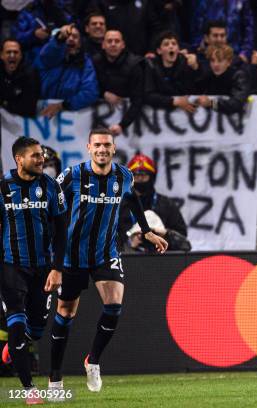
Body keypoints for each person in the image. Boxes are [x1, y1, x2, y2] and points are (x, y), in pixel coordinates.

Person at [47, 128, 168, 396]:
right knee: (66, 312)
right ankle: (55, 378)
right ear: (89, 147)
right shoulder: (72, 175)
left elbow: (134, 200)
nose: (102, 149)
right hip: (72, 256)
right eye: (97, 145)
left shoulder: (123, 175)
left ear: (114, 149)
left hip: (106, 252)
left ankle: (93, 360)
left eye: (107, 145)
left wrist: (146, 229)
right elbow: (52, 208)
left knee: (114, 305)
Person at [0, 137, 66, 404]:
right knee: (16, 323)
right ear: (19, 159)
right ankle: (29, 389)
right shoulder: (3, 187)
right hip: (10, 266)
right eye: (35, 156)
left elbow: (62, 231)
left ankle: (12, 349)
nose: (41, 160)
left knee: (36, 330)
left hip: (43, 268)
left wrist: (57, 268)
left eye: (42, 155)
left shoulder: (50, 186)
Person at [119, 154, 191, 252]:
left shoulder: (167, 205)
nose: (139, 179)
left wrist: (164, 234)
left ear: (152, 177)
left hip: (163, 260)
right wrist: (128, 241)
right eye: (136, 175)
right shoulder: (119, 206)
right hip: (128, 261)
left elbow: (182, 238)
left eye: (144, 175)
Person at [35, 23, 99, 117]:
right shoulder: (48, 57)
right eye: (67, 36)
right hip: (42, 113)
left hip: (70, 115)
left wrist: (63, 105)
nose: (71, 39)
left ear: (80, 44)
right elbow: (49, 54)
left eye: (75, 36)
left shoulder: (85, 63)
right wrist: (60, 38)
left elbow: (90, 92)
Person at [93, 29, 144, 136]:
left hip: (127, 122)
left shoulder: (134, 65)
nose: (113, 44)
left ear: (123, 45)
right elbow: (88, 87)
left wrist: (122, 125)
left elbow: (138, 99)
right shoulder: (95, 62)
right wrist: (103, 93)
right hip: (98, 120)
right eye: (109, 41)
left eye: (117, 41)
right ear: (103, 45)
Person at [143, 30, 201, 113]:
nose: (171, 46)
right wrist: (174, 101)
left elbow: (198, 89)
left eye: (174, 44)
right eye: (166, 44)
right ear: (159, 51)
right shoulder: (151, 66)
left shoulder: (186, 63)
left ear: (178, 49)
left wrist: (196, 68)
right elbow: (147, 95)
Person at [193, 44, 250, 114]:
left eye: (220, 60)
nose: (215, 64)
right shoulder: (208, 75)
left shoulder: (238, 76)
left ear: (229, 62)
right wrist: (195, 70)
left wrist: (212, 104)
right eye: (212, 60)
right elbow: (193, 93)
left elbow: (237, 104)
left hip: (235, 122)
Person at [0, 38, 40, 117]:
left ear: (21, 55)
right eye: (8, 52)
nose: (12, 55)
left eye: (15, 52)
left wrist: (4, 103)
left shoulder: (30, 74)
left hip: (23, 123)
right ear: (1, 55)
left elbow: (28, 108)